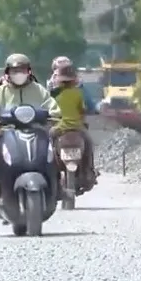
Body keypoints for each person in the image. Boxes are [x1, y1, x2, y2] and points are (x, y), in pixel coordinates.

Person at [0, 54, 61, 203]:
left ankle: (58, 186)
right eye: (14, 70)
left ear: (29, 71)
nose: (18, 74)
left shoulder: (38, 89)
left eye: (22, 70)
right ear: (7, 72)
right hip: (8, 131)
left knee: (52, 152)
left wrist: (55, 113)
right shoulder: (0, 91)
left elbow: (51, 104)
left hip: (37, 130)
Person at [48, 57, 98, 188]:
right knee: (88, 144)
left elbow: (47, 109)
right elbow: (84, 109)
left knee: (46, 145)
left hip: (58, 128)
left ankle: (47, 171)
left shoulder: (53, 94)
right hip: (77, 127)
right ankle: (89, 170)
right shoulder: (78, 93)